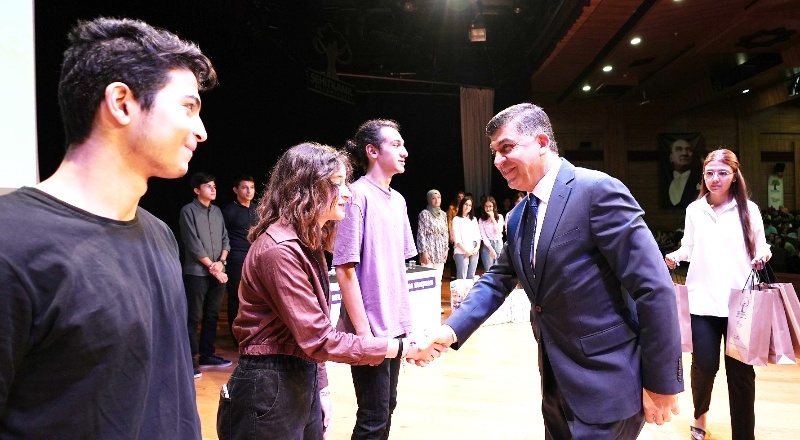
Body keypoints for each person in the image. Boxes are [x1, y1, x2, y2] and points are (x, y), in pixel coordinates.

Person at [0, 17, 216, 439]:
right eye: (188, 107)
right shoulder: (11, 242)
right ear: (121, 102)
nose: (201, 131)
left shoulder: (159, 235)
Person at [427, 103, 684, 439]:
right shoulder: (521, 214)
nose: (497, 162)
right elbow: (497, 280)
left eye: (506, 148)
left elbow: (655, 288)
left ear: (542, 142)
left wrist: (661, 382)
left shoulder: (596, 191)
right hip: (556, 386)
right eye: (494, 152)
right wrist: (448, 332)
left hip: (607, 385)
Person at [216, 143, 441, 440]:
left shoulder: (308, 244)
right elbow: (319, 339)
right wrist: (402, 348)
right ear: (304, 188)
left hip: (297, 378)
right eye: (337, 184)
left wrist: (319, 386)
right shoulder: (280, 251)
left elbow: (310, 341)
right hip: (268, 388)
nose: (347, 193)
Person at [665, 149, 771, 440]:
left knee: (741, 376)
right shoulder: (695, 210)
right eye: (709, 173)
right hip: (702, 302)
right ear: (703, 176)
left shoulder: (748, 210)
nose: (715, 178)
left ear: (734, 175)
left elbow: (762, 246)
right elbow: (688, 247)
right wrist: (674, 256)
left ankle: (743, 435)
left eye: (722, 173)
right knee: (704, 367)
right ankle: (699, 419)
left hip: (740, 304)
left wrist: (762, 256)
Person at [333, 119, 417, 439]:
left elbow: (398, 266)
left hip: (394, 326)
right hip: (370, 329)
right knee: (373, 414)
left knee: (388, 406)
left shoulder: (398, 201)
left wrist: (407, 326)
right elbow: (345, 269)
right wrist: (365, 334)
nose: (404, 151)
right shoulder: (356, 196)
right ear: (372, 151)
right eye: (395, 145)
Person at [179, 172, 232, 376]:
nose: (213, 188)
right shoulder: (188, 211)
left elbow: (225, 239)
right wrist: (213, 267)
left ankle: (207, 354)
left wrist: (221, 263)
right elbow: (193, 244)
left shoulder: (218, 211)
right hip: (197, 273)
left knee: (212, 315)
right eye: (208, 185)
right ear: (196, 190)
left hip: (219, 270)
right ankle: (189, 360)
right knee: (193, 317)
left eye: (214, 185)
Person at [222, 174, 257, 346]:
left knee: (256, 298)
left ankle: (253, 335)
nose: (249, 191)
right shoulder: (229, 211)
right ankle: (237, 338)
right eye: (244, 187)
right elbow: (223, 237)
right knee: (236, 298)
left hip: (255, 259)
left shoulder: (257, 209)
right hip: (236, 259)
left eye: (251, 187)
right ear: (236, 190)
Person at [417, 189, 449, 284]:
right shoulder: (424, 214)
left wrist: (446, 249)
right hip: (429, 248)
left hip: (440, 249)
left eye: (438, 197)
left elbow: (445, 232)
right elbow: (421, 233)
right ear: (429, 200)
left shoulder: (443, 214)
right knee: (428, 279)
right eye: (433, 198)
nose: (437, 200)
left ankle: (436, 299)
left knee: (438, 278)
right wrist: (424, 252)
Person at [664, 138, 703, 209]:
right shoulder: (664, 181)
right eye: (679, 149)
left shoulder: (701, 180)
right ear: (671, 157)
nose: (684, 153)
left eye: (689, 150)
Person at [451, 196, 481, 279]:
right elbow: (457, 239)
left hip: (474, 251)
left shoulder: (474, 219)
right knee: (462, 278)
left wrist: (477, 248)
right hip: (461, 252)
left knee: (471, 277)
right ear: (461, 205)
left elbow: (478, 236)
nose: (468, 207)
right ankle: (461, 293)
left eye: (470, 205)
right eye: (466, 204)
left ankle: (470, 292)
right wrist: (466, 251)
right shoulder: (456, 219)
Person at [478, 196, 505, 272]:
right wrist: (491, 249)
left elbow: (499, 231)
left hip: (498, 243)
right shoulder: (481, 220)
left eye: (490, 206)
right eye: (486, 206)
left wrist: (493, 218)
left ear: (494, 206)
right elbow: (483, 236)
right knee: (489, 270)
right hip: (487, 246)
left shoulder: (500, 217)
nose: (488, 209)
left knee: (500, 269)